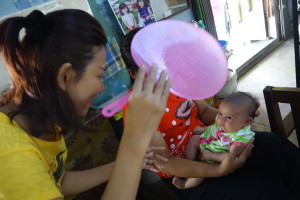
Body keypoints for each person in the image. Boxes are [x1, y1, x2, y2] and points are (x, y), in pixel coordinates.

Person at [0, 9, 171, 200]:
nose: (101, 87)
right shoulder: (10, 152)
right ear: (65, 76)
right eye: (99, 75)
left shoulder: (46, 117)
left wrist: (126, 162)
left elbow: (59, 180)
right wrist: (135, 140)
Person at [120, 27, 300, 200]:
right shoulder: (137, 108)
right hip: (185, 173)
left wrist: (235, 119)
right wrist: (220, 170)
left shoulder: (177, 81)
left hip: (215, 140)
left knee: (276, 147)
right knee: (264, 191)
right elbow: (166, 163)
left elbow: (204, 110)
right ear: (133, 73)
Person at [173, 92, 257, 189]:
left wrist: (210, 155)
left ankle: (185, 184)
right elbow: (214, 127)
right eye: (220, 113)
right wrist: (203, 130)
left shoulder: (241, 136)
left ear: (246, 122)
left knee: (202, 169)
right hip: (210, 144)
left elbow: (231, 157)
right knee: (194, 139)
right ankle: (188, 164)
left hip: (216, 159)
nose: (220, 120)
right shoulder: (223, 121)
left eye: (229, 118)